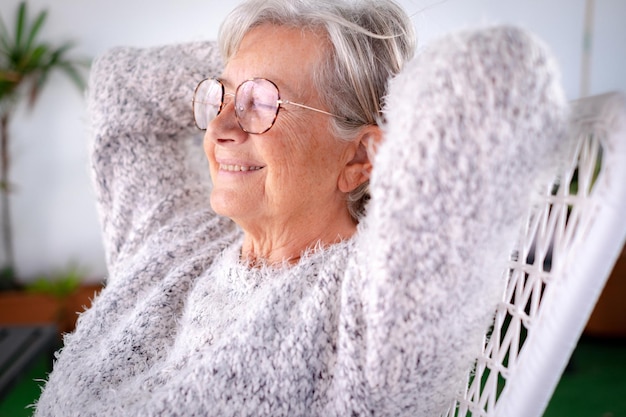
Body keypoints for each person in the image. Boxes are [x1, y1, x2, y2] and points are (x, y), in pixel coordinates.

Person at [34, 0, 567, 415]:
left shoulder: (371, 317)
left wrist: (357, 67)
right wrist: (271, 51)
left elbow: (493, 76)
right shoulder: (178, 238)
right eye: (218, 97)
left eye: (262, 103)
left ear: (362, 156)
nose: (218, 127)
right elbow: (119, 91)